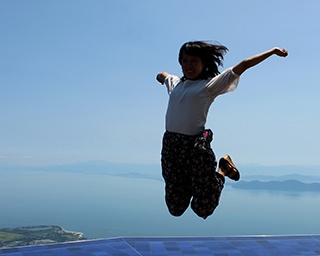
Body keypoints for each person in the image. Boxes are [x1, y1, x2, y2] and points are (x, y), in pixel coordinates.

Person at [156, 41, 288, 219]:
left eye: (194, 61)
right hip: (171, 147)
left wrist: (272, 51)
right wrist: (161, 76)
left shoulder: (209, 86)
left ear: (204, 63)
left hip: (195, 148)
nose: (188, 65)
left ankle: (222, 170)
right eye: (184, 61)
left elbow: (244, 64)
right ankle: (207, 176)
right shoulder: (176, 84)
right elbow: (163, 76)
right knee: (175, 207)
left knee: (202, 207)